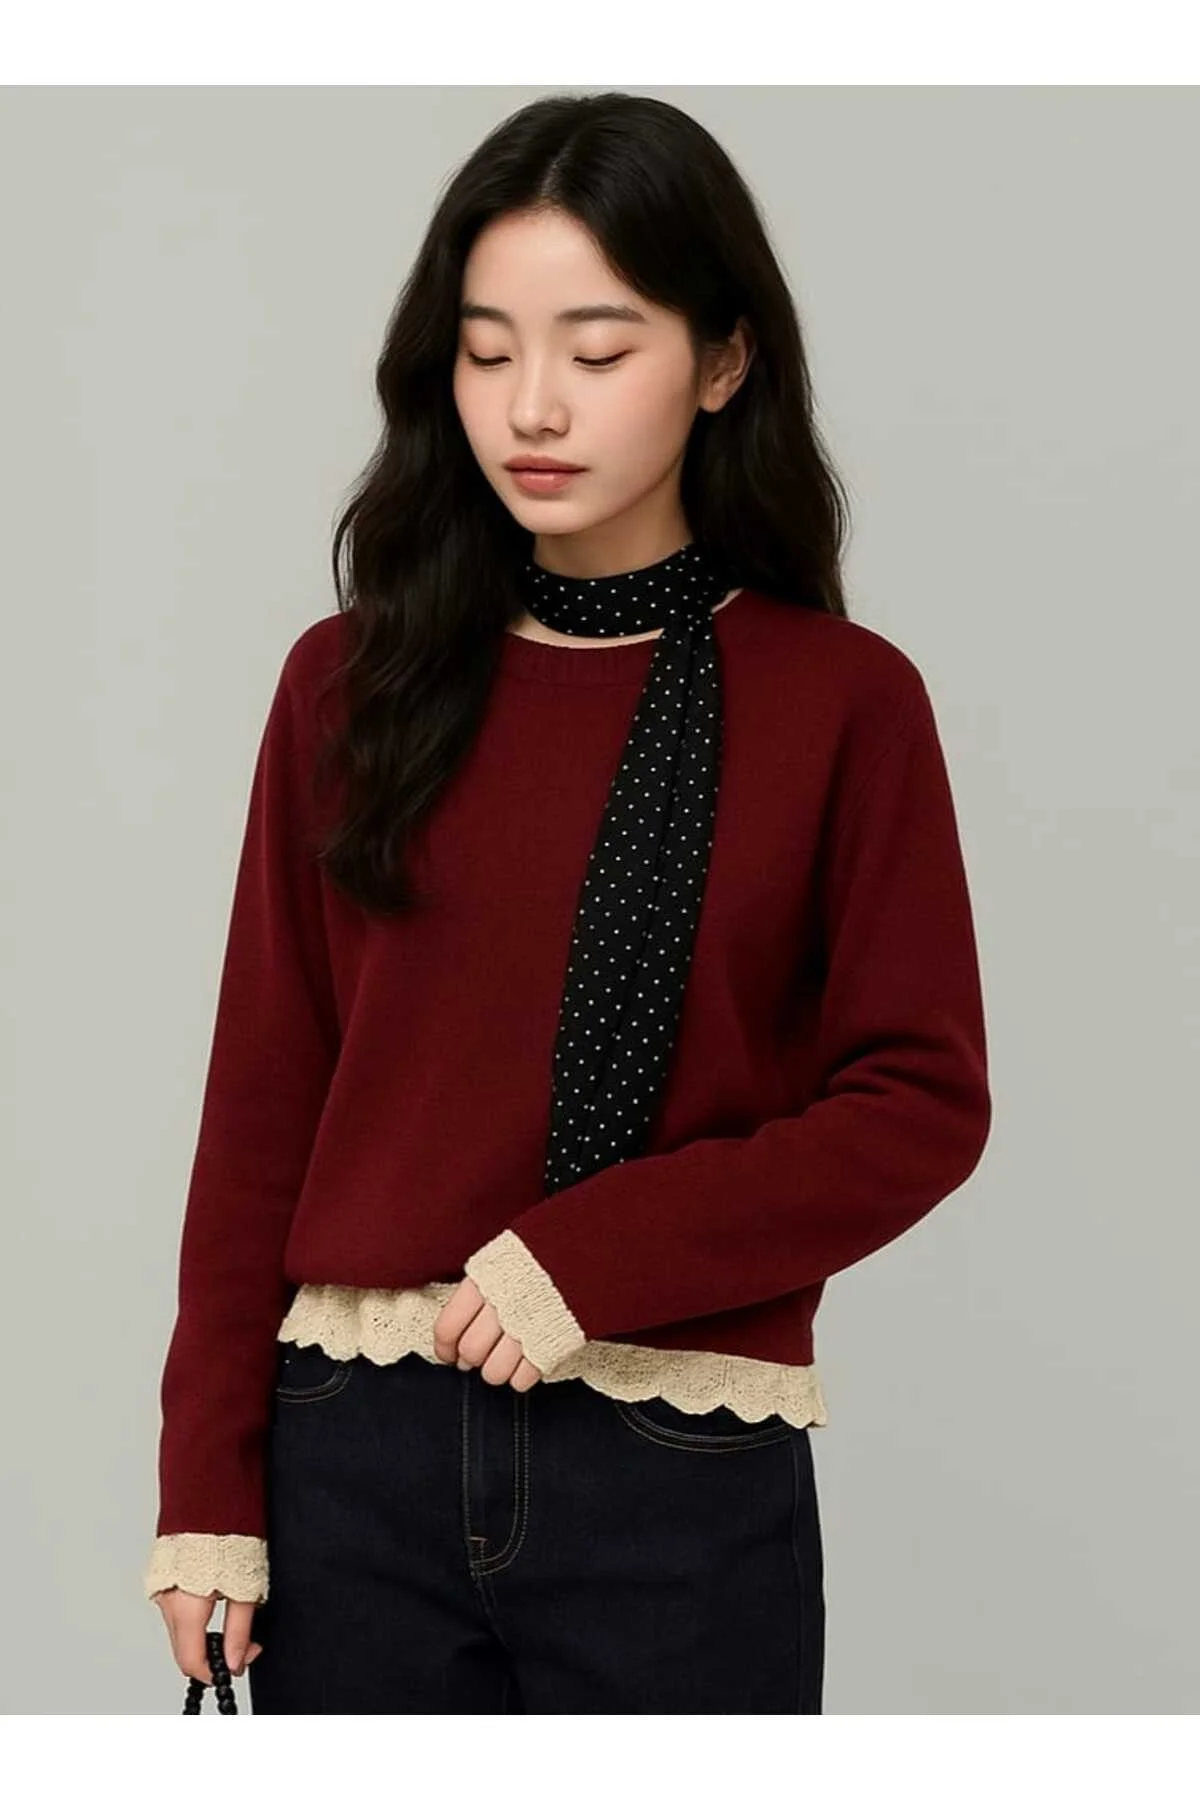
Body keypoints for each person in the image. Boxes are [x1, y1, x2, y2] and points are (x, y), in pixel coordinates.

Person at [145, 90, 991, 1714]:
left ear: (723, 362)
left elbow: (919, 1103)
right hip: (354, 1454)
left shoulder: (844, 703)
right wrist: (207, 1488)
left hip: (674, 1461)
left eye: (599, 353)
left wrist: (592, 1256)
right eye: (486, 352)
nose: (533, 405)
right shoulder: (349, 686)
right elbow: (263, 1103)